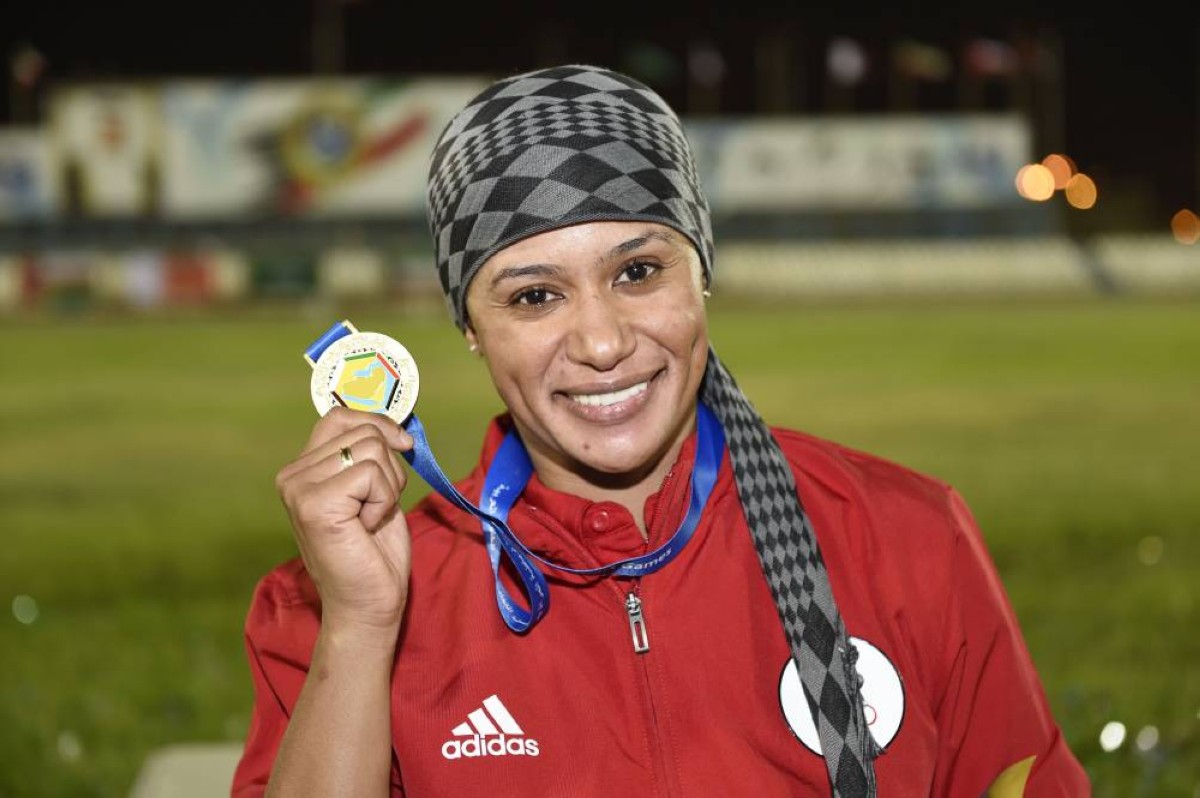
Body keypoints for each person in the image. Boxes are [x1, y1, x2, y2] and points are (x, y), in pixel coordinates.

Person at [231, 64, 1090, 797]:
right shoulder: (351, 598)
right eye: (535, 295)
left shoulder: (907, 538)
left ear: (700, 274)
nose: (602, 342)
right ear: (470, 327)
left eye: (638, 271)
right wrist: (360, 627)